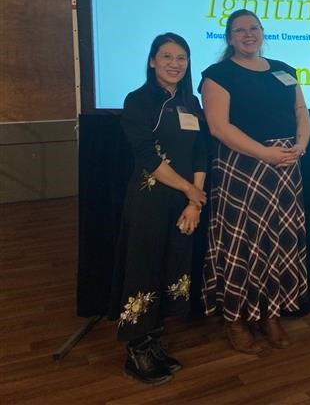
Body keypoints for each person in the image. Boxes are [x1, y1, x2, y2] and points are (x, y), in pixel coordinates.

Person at [201, 9, 310, 354]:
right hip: (243, 166)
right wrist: (264, 154)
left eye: (254, 28)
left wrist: (301, 145)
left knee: (276, 240)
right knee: (241, 243)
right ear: (229, 38)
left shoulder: (284, 70)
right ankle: (235, 318)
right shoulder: (218, 75)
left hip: (284, 168)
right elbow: (219, 128)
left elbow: (301, 113)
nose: (248, 34)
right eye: (239, 30)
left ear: (262, 32)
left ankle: (269, 313)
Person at [110, 32, 207, 385]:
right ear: (152, 61)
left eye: (181, 57)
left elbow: (200, 152)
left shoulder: (191, 102)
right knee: (144, 268)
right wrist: (191, 191)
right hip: (150, 200)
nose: (174, 63)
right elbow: (147, 157)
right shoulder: (137, 101)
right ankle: (136, 348)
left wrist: (194, 201)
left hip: (184, 204)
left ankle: (154, 342)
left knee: (172, 266)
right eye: (166, 56)